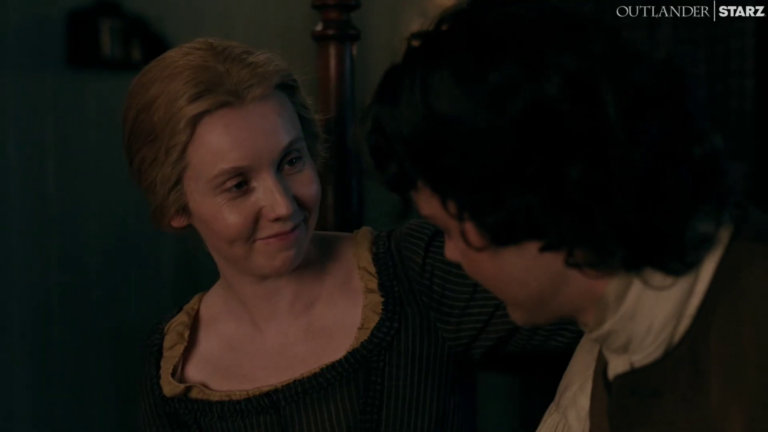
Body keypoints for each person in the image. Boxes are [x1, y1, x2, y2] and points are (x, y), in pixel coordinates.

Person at [123, 38, 581, 432]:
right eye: (239, 185)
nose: (283, 206)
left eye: (291, 161)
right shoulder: (173, 372)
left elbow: (606, 298)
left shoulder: (415, 271)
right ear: (177, 206)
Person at [362, 1, 768, 431]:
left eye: (451, 230)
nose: (451, 254)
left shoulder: (745, 325)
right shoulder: (614, 339)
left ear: (530, 203)